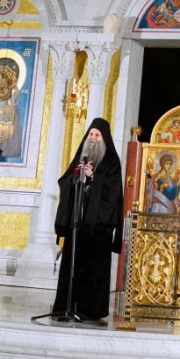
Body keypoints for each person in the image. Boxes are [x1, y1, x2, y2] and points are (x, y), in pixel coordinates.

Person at [52, 117, 124, 322]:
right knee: (72, 265)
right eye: (91, 134)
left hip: (98, 227)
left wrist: (93, 178)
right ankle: (66, 306)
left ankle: (91, 310)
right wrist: (76, 177)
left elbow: (113, 191)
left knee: (94, 269)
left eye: (97, 135)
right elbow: (64, 180)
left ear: (104, 138)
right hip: (77, 224)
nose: (93, 138)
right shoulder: (81, 157)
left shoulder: (111, 161)